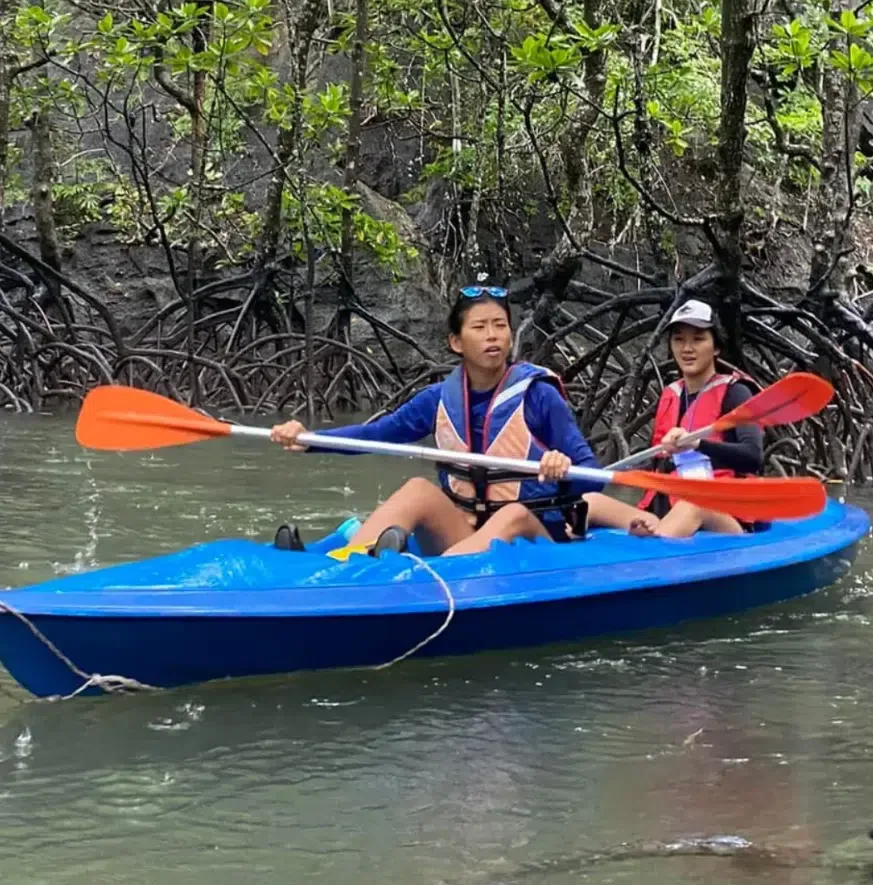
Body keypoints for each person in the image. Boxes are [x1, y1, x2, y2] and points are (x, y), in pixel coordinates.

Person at [269, 285, 604, 557]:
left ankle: (437, 577)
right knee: (418, 489)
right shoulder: (439, 399)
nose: (492, 335)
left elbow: (592, 476)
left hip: (535, 540)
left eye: (500, 326)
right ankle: (347, 562)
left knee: (511, 514)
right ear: (456, 342)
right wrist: (310, 439)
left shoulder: (539, 396)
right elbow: (378, 435)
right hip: (466, 532)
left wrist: (562, 470)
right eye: (480, 327)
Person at [584, 298, 764, 538]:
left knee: (694, 503)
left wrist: (698, 444)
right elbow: (661, 466)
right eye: (679, 339)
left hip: (722, 516)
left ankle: (650, 560)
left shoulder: (736, 393)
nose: (687, 348)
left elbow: (753, 457)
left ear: (716, 347)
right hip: (670, 515)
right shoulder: (670, 395)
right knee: (590, 501)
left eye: (698, 339)